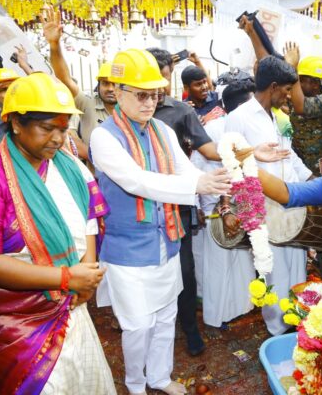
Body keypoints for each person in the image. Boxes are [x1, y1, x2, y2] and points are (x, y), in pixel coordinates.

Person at [0, 73, 115, 394]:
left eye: (63, 129)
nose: (57, 138)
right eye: (47, 128)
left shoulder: (70, 167)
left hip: (70, 308)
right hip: (16, 324)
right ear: (15, 123)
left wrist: (86, 275)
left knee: (82, 380)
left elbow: (89, 222)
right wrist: (66, 278)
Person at [90, 48, 231, 395]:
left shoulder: (163, 131)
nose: (150, 102)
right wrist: (196, 184)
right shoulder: (103, 136)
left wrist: (217, 176)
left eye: (154, 94)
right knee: (138, 325)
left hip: (166, 241)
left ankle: (159, 376)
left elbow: (186, 171)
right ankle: (136, 384)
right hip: (128, 250)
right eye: (141, 95)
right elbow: (137, 181)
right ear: (118, 92)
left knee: (166, 317)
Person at [225, 55, 312, 336]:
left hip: (292, 201)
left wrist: (311, 181)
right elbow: (230, 164)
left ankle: (296, 318)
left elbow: (290, 155)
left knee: (297, 263)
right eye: (286, 90)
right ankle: (277, 328)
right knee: (273, 268)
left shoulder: (279, 117)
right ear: (273, 87)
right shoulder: (239, 118)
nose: (288, 96)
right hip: (264, 207)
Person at [148, 47, 219, 356]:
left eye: (164, 77)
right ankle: (151, 329)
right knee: (150, 270)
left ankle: (189, 327)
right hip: (142, 203)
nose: (158, 84)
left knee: (185, 270)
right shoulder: (128, 112)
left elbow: (208, 149)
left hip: (176, 204)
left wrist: (243, 151)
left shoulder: (181, 111)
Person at [192, 80, 259, 331]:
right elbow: (196, 167)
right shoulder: (213, 129)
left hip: (239, 204)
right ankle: (216, 316)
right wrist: (197, 204)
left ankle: (240, 308)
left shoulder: (245, 127)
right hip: (214, 204)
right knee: (219, 266)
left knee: (241, 260)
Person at [42, 7, 115, 148]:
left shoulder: (129, 108)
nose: (110, 89)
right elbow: (65, 80)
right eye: (105, 83)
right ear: (98, 85)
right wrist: (54, 45)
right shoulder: (88, 103)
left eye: (115, 84)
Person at [283, 43, 322, 174]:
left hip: (321, 170)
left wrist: (292, 68)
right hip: (299, 167)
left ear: (316, 83)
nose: (297, 83)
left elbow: (303, 106)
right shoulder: (293, 98)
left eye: (301, 80)